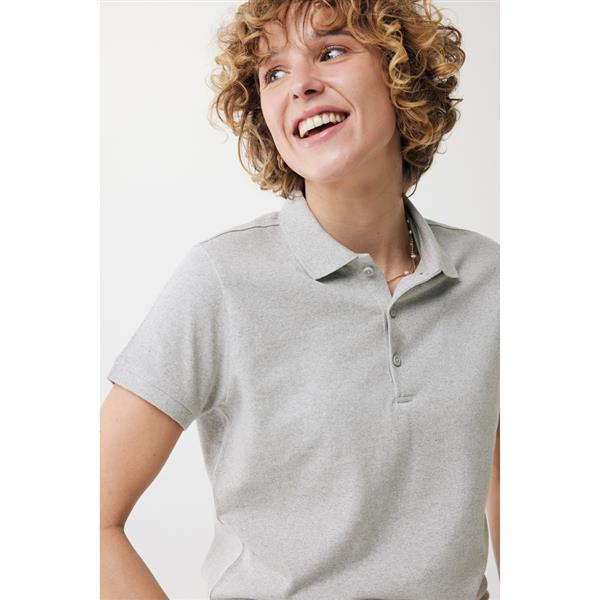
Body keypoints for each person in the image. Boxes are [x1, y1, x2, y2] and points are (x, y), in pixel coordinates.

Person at [100, 0, 500, 599]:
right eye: (274, 73)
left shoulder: (493, 279)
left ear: (402, 75)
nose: (300, 85)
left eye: (331, 52)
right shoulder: (222, 280)